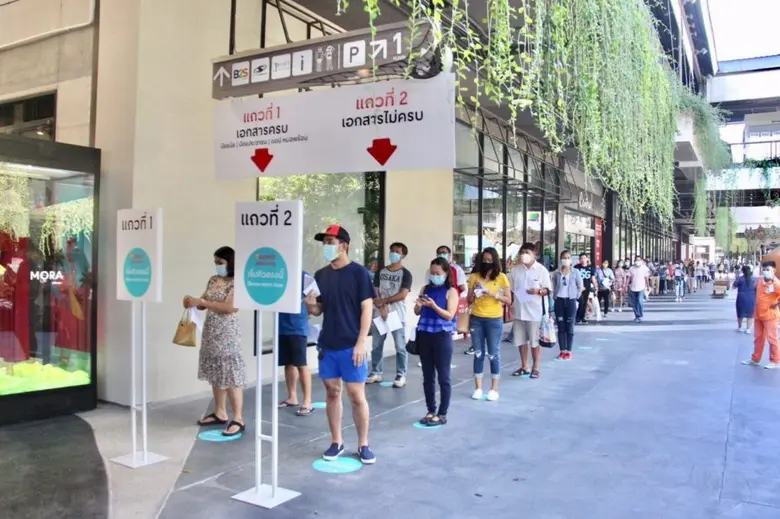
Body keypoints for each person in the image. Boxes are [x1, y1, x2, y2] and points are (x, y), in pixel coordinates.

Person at [304, 224, 376, 464]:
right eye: (324, 242)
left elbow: (367, 307)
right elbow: (319, 309)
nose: (326, 247)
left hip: (351, 344)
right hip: (328, 344)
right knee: (332, 392)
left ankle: (363, 444)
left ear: (344, 246)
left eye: (330, 242)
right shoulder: (321, 275)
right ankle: (337, 441)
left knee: (356, 395)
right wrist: (311, 304)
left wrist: (361, 342)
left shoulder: (359, 273)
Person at [185, 246, 246, 437]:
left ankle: (238, 418)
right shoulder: (213, 280)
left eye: (220, 262)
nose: (217, 266)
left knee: (231, 374)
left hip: (228, 334)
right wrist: (192, 301)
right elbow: (203, 301)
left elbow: (230, 307)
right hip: (211, 332)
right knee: (215, 372)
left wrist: (202, 302)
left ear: (230, 262)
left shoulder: (237, 283)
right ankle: (220, 411)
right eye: (215, 262)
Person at [414, 257, 459, 426]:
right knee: (427, 376)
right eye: (432, 273)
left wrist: (433, 306)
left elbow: (449, 314)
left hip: (442, 335)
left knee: (443, 376)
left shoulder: (451, 291)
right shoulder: (425, 288)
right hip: (425, 333)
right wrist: (419, 305)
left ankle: (442, 413)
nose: (434, 276)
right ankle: (430, 409)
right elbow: (417, 311)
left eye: (438, 273)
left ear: (446, 273)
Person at [467, 247, 511, 401]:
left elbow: (508, 300)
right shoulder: (474, 276)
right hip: (477, 318)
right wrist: (475, 292)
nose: (486, 263)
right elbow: (468, 300)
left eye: (489, 260)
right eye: (484, 260)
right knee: (478, 353)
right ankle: (478, 388)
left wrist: (493, 294)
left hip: (494, 318)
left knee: (493, 353)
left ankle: (494, 388)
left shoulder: (502, 278)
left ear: (495, 261)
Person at [367, 242, 412, 387]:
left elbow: (403, 294)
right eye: (391, 250)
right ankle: (376, 372)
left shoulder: (406, 273)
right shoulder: (381, 272)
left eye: (397, 251)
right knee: (377, 345)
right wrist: (379, 305)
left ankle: (401, 374)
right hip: (380, 312)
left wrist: (384, 301)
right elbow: (375, 290)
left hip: (396, 314)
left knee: (400, 346)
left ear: (403, 255)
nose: (393, 253)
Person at [277, 271, 318, 416]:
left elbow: (314, 298)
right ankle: (292, 397)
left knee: (301, 364)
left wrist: (309, 310)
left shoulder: (304, 276)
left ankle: (307, 402)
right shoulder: (278, 274)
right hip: (281, 325)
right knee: (288, 363)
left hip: (297, 327)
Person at [508, 242, 551, 379]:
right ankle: (524, 365)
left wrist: (538, 291)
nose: (524, 255)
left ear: (534, 254)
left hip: (535, 312)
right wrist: (510, 306)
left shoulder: (541, 270)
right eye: (522, 252)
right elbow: (511, 289)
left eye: (527, 252)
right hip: (520, 310)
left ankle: (536, 367)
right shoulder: (516, 270)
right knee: (521, 340)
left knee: (535, 341)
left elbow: (548, 290)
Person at [742, 261, 780, 369]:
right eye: (764, 269)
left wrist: (776, 303)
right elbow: (755, 290)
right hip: (758, 314)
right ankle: (755, 359)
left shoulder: (776, 284)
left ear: (774, 270)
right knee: (758, 338)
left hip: (770, 316)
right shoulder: (759, 280)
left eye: (768, 269)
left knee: (772, 339)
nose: (765, 272)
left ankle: (775, 361)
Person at [551, 250, 583, 360]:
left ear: (571, 259)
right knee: (561, 327)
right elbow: (553, 285)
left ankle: (569, 351)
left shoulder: (575, 272)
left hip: (570, 301)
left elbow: (580, 286)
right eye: (564, 257)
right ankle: (562, 350)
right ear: (560, 259)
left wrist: (576, 297)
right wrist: (554, 296)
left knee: (569, 327)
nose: (566, 259)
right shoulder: (556, 273)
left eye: (568, 257)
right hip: (559, 301)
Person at [733, 264, 756, 335]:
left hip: (741, 297)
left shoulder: (740, 279)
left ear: (742, 271)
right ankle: (748, 329)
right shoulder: (754, 279)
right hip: (751, 297)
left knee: (740, 312)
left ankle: (740, 327)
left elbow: (733, 287)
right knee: (750, 314)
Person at [627, 256, 650, 323]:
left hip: (641, 287)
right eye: (636, 260)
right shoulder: (631, 268)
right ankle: (637, 315)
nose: (638, 261)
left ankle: (639, 315)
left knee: (640, 301)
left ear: (641, 261)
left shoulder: (644, 268)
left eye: (639, 260)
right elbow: (629, 277)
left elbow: (646, 278)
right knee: (633, 303)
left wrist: (648, 286)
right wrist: (626, 285)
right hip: (633, 287)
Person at [574, 254, 596, 324]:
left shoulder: (591, 267)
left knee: (584, 303)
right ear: (579, 260)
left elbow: (593, 278)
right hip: (578, 288)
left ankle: (582, 317)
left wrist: (596, 287)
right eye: (581, 258)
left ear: (587, 259)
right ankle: (577, 317)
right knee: (581, 302)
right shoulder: (576, 267)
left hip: (587, 288)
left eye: (584, 258)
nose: (583, 259)